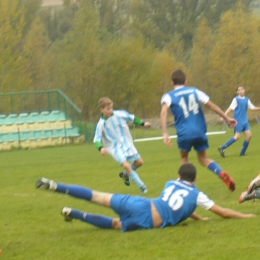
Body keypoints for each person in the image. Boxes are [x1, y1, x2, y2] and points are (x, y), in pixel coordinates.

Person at [35, 163, 255, 232]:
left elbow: (174, 203)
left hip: (141, 203)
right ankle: (74, 214)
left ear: (179, 176)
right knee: (114, 224)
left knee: (96, 195)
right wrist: (246, 216)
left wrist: (198, 218)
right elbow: (223, 213)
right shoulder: (196, 194)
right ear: (194, 180)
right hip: (147, 220)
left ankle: (58, 186)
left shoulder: (171, 182)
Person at [160, 69, 237, 192]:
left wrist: (165, 133)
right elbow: (212, 105)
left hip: (184, 133)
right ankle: (220, 172)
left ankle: (186, 189)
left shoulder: (168, 96)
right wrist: (227, 118)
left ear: (172, 82)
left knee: (185, 160)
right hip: (200, 131)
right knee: (203, 159)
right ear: (186, 81)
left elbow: (164, 112)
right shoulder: (195, 91)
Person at [93, 97, 151, 194]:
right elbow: (97, 139)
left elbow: (132, 118)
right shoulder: (101, 124)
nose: (110, 110)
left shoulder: (119, 114)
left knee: (140, 162)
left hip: (127, 143)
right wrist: (101, 148)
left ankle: (125, 175)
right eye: (108, 109)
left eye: (111, 108)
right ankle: (142, 187)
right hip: (114, 148)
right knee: (126, 165)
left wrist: (143, 123)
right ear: (101, 109)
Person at [218, 85, 260, 157]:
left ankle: (242, 153)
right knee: (237, 137)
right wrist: (224, 116)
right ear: (237, 92)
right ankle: (222, 148)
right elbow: (230, 108)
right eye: (239, 90)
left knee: (249, 135)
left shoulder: (247, 99)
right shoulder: (236, 99)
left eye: (242, 89)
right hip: (238, 121)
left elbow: (253, 108)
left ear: (244, 90)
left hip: (245, 121)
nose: (241, 91)